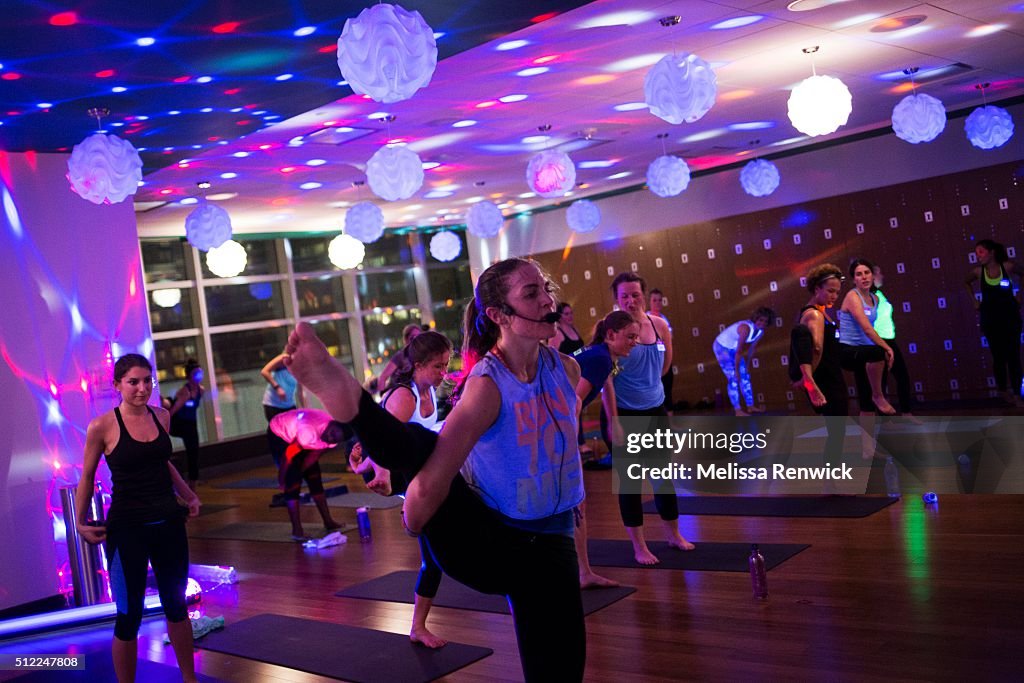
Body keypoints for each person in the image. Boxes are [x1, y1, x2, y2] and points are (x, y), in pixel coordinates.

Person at [283, 258, 586, 682]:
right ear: (499, 315)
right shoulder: (487, 385)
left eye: (546, 289)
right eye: (531, 294)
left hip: (553, 539)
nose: (547, 300)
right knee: (424, 443)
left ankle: (353, 406)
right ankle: (349, 400)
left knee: (562, 666)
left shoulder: (564, 370)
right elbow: (439, 468)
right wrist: (417, 517)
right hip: (490, 540)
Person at [76, 354, 200, 683]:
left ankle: (190, 679)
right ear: (117, 385)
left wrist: (188, 495)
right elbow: (87, 477)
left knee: (176, 605)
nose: (142, 388)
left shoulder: (162, 416)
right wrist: (79, 521)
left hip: (169, 523)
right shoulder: (102, 426)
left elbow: (162, 462)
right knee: (129, 615)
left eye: (148, 381)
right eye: (133, 382)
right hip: (127, 528)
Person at [349, 330, 453, 648]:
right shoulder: (405, 396)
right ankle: (417, 627)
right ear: (418, 365)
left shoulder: (428, 390)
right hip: (411, 481)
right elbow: (386, 444)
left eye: (446, 365)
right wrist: (378, 472)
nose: (443, 373)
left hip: (426, 475)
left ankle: (418, 627)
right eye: (438, 366)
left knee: (434, 558)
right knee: (432, 558)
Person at [604, 272, 693, 566]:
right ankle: (639, 546)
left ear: (644, 295)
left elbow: (665, 366)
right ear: (616, 299)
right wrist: (614, 421)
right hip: (627, 414)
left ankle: (674, 535)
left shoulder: (659, 325)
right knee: (630, 485)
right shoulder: (610, 327)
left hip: (655, 410)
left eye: (635, 295)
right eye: (624, 296)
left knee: (663, 479)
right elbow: (605, 380)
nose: (630, 301)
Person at [573, 310, 640, 587]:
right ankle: (581, 572)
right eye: (630, 337)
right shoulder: (600, 358)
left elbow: (606, 385)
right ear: (611, 335)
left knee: (578, 503)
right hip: (554, 430)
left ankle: (583, 571)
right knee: (576, 502)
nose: (634, 342)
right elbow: (572, 399)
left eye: (636, 337)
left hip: (557, 428)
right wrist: (571, 444)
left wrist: (614, 422)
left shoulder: (603, 356)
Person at [790, 265, 849, 479]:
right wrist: (809, 382)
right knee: (836, 433)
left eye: (837, 291)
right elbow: (816, 349)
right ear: (817, 288)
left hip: (830, 377)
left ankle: (831, 480)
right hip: (827, 380)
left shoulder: (820, 312)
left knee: (837, 432)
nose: (834, 295)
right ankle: (831, 482)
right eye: (830, 290)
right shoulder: (814, 314)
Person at [267, 408, 347, 540]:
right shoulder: (308, 431)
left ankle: (328, 521)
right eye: (332, 434)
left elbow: (314, 456)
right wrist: (283, 479)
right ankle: (297, 530)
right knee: (293, 482)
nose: (330, 438)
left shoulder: (332, 438)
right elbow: (289, 455)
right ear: (332, 424)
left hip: (302, 437)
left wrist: (303, 470)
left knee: (314, 477)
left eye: (334, 439)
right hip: (279, 433)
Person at [965, 239, 1024, 407]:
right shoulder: (978, 272)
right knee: (998, 357)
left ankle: (1017, 395)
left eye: (981, 252)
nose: (978, 256)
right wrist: (974, 301)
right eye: (976, 254)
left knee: (1013, 356)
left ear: (992, 252)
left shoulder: (1008, 267)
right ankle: (1003, 392)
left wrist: (1020, 296)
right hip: (991, 320)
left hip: (1010, 318)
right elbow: (965, 281)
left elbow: (1023, 273)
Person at [839, 259, 896, 416]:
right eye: (859, 274)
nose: (864, 277)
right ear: (854, 279)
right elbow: (867, 328)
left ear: (872, 276)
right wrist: (886, 347)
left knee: (866, 400)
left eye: (867, 273)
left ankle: (868, 441)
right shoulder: (852, 296)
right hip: (848, 351)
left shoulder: (875, 298)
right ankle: (878, 396)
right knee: (879, 353)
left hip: (864, 352)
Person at [713, 308, 775, 416]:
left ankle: (750, 406)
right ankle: (738, 410)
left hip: (733, 348)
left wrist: (746, 366)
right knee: (733, 378)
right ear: (755, 319)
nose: (762, 323)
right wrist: (736, 371)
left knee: (745, 376)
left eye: (765, 321)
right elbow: (739, 351)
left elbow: (752, 349)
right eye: (760, 320)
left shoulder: (760, 332)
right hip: (721, 347)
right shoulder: (745, 329)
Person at [549, 302, 591, 457]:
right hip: (565, 377)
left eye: (571, 313)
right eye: (566, 314)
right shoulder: (558, 333)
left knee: (579, 407)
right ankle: (577, 444)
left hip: (579, 374)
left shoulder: (574, 329)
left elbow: (580, 349)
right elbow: (552, 357)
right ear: (559, 316)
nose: (570, 316)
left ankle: (581, 442)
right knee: (573, 409)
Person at [872, 266, 915, 416]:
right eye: (878, 273)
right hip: (879, 342)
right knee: (881, 381)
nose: (882, 275)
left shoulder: (879, 294)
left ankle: (906, 413)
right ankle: (884, 419)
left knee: (901, 377)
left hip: (889, 340)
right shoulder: (870, 296)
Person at [168, 358, 203, 490]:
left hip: (191, 424)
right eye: (196, 373)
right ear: (189, 376)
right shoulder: (185, 392)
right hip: (179, 424)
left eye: (200, 373)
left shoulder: (201, 390)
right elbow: (174, 410)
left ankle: (192, 483)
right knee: (192, 451)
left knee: (193, 453)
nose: (199, 376)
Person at [377, 323, 428, 394]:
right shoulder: (401, 356)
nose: (415, 341)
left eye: (418, 337)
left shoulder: (421, 357)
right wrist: (383, 398)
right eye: (412, 338)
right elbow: (382, 378)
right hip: (396, 396)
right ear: (406, 339)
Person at [648, 288, 675, 411]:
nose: (657, 303)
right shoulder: (646, 318)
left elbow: (669, 338)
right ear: (650, 302)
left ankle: (670, 422)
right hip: (651, 361)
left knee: (667, 388)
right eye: (655, 300)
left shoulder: (664, 319)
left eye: (660, 300)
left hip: (664, 358)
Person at [261, 352, 304, 422]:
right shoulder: (284, 359)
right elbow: (264, 372)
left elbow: (300, 391)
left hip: (289, 405)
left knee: (292, 429)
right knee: (278, 431)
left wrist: (303, 407)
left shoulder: (300, 368)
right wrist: (277, 388)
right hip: (273, 405)